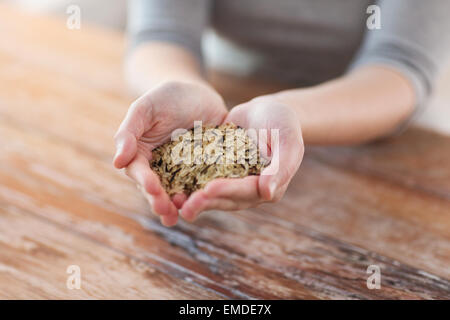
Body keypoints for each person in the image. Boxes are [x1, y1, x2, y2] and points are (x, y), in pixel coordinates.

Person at [113, 0, 450, 226]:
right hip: (225, 100)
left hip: (376, 127)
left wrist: (289, 112)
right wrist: (179, 86)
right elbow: (162, 35)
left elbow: (400, 65)